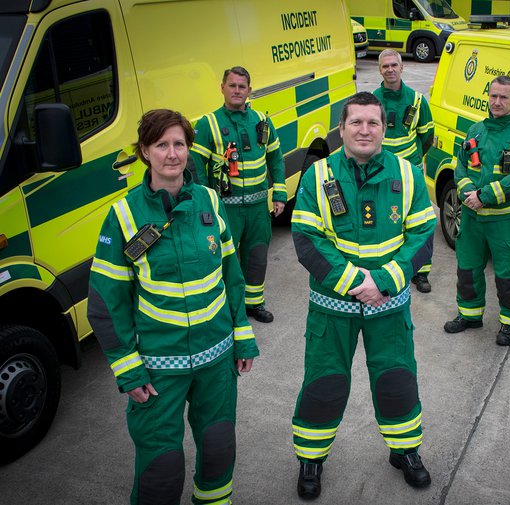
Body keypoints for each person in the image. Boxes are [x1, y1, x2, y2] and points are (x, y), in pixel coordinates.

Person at [88, 109, 259, 504]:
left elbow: (231, 275)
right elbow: (105, 300)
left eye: (179, 144)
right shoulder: (125, 214)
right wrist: (127, 367)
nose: (172, 154)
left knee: (218, 451)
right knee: (161, 469)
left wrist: (243, 336)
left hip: (216, 359)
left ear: (189, 149)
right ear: (145, 151)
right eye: (161, 145)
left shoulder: (210, 201)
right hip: (157, 368)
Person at [290, 92, 436, 499]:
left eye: (373, 122)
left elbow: (423, 236)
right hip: (332, 309)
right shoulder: (318, 176)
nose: (365, 130)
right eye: (356, 122)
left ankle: (405, 450)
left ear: (385, 129)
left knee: (397, 379)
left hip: (388, 307)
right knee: (324, 383)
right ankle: (311, 458)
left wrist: (384, 282)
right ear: (342, 129)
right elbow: (306, 238)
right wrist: (357, 282)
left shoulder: (407, 175)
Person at [443, 75, 510, 347]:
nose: (497, 102)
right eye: (493, 96)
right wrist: (466, 194)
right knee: (467, 269)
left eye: (504, 97)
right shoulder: (475, 131)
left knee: (508, 275)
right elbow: (460, 167)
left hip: (505, 222)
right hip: (472, 220)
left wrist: (483, 197)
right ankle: (470, 315)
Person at [191, 66, 286, 323]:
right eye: (232, 85)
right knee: (225, 260)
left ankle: (254, 304)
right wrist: (204, 204)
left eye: (241, 87)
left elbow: (275, 157)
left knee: (256, 256)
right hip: (225, 209)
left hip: (257, 207)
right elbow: (196, 166)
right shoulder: (208, 123)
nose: (236, 91)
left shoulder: (261, 121)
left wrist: (279, 193)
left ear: (249, 90)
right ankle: (229, 310)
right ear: (222, 88)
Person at [373, 49, 435, 293]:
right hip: (381, 173)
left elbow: (427, 136)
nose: (390, 69)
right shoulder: (373, 100)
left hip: (411, 173)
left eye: (393, 65)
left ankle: (421, 272)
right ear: (380, 70)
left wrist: (414, 162)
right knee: (385, 221)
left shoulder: (418, 100)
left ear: (402, 67)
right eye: (385, 66)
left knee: (418, 222)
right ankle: (388, 270)